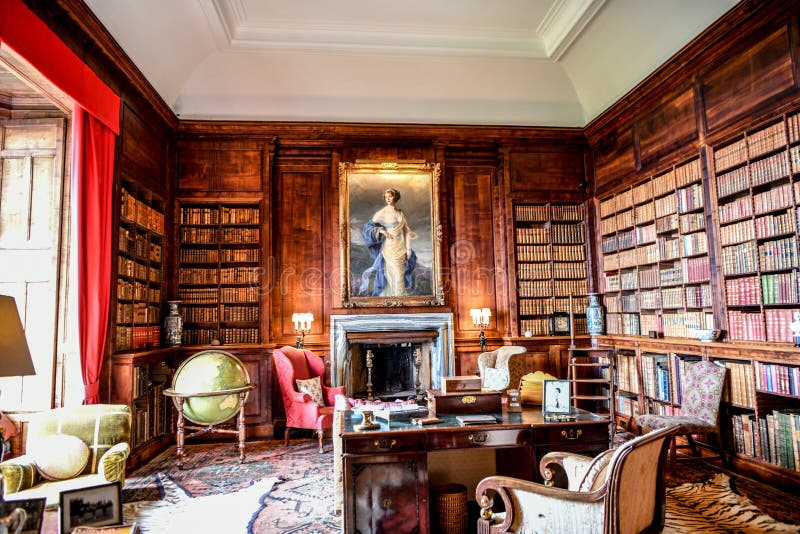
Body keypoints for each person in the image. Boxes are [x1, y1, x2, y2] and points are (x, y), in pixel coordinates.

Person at [359, 188, 417, 297]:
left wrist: (408, 249)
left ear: (395, 197)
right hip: (389, 248)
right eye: (386, 197)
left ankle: (400, 299)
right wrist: (381, 230)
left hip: (401, 247)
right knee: (391, 273)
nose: (388, 199)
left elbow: (405, 231)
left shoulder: (400, 212)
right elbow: (367, 227)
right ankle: (392, 298)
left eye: (390, 196)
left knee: (400, 274)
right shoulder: (382, 212)